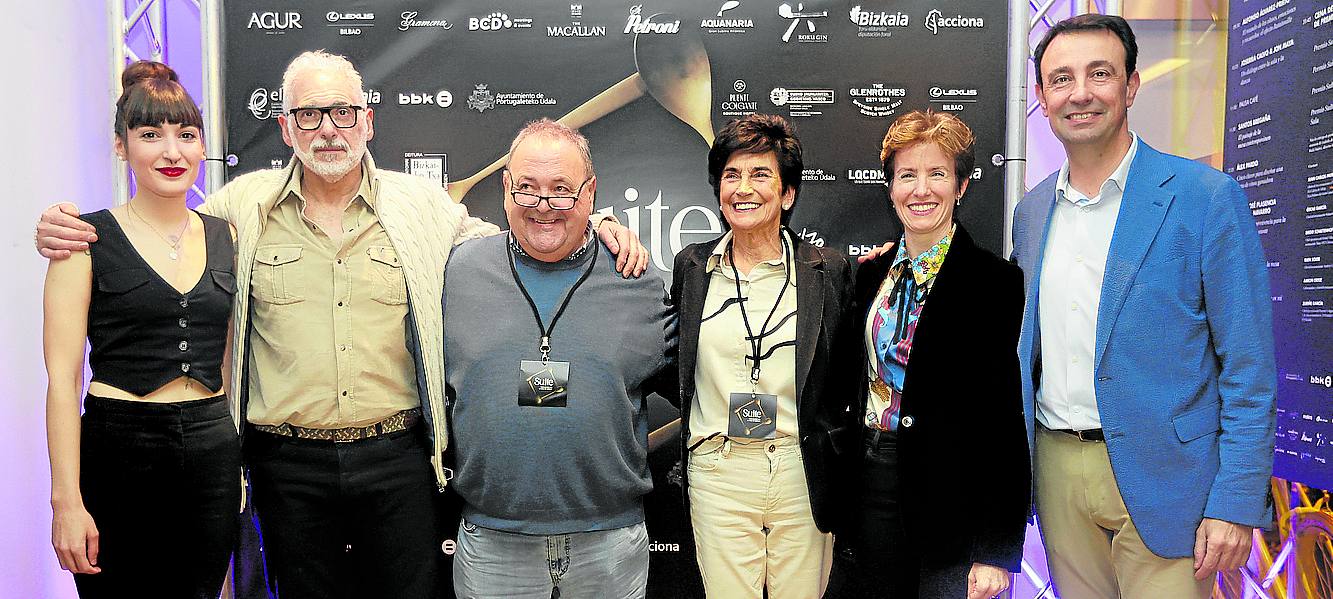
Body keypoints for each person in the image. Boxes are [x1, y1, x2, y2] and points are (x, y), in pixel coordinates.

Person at [36, 51, 647, 598]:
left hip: (398, 460)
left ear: (368, 121)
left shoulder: (425, 207)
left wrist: (598, 225)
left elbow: (522, 239)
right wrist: (64, 224)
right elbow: (162, 233)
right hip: (285, 464)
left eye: (343, 112)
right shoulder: (236, 211)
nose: (328, 129)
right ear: (284, 127)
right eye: (308, 115)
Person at [1014, 14, 1276, 599]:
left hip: (1172, 481)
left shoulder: (1205, 199)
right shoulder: (1030, 214)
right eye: (1061, 79)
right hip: (1057, 470)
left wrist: (1234, 500)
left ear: (1131, 86)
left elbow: (1249, 368)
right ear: (1042, 96)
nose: (1079, 93)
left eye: (1099, 74)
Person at [442, 119, 677, 599]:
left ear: (591, 194)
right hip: (491, 544)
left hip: (609, 543)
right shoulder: (456, 272)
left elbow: (697, 380)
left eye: (562, 190)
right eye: (526, 188)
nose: (543, 206)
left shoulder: (638, 278)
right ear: (505, 188)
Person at [43, 60, 241, 598]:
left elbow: (226, 355)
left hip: (211, 452)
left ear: (203, 146)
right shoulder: (82, 241)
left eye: (187, 135)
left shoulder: (228, 236)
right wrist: (66, 500)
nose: (172, 152)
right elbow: (62, 381)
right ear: (120, 146)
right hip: (119, 450)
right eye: (150, 135)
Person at [667, 113, 856, 598]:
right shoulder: (693, 268)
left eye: (759, 174)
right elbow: (675, 364)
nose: (742, 188)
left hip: (801, 471)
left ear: (787, 193)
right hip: (718, 470)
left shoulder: (826, 271)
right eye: (731, 174)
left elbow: (845, 371)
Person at [846, 110, 1029, 599]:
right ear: (890, 188)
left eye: (937, 174)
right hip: (870, 490)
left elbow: (1004, 420)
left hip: (954, 504)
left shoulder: (995, 283)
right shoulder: (869, 277)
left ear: (961, 186)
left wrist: (995, 549)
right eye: (907, 175)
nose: (920, 190)